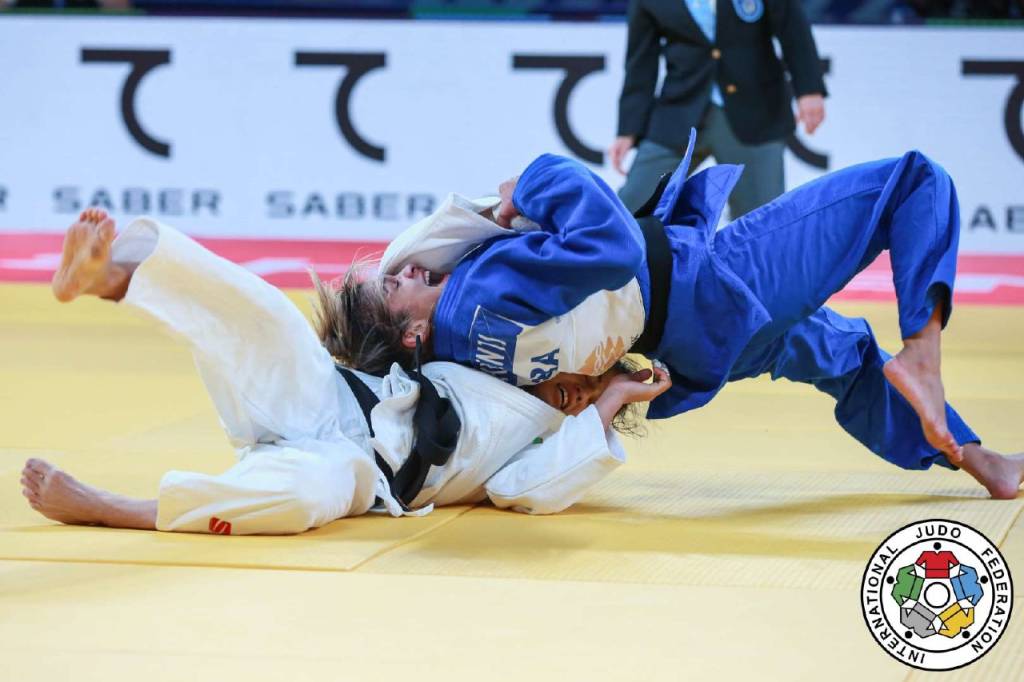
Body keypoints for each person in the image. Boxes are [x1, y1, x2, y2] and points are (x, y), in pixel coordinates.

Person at [325, 134, 1024, 499]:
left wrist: (611, 396)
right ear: (410, 332)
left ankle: (975, 459)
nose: (406, 270)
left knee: (844, 357)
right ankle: (924, 353)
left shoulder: (462, 370)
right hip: (717, 282)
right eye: (392, 285)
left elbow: (534, 447)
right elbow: (613, 245)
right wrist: (531, 185)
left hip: (692, 346)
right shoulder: (476, 292)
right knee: (912, 182)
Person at [19, 209, 670, 535]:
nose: (559, 374)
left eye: (576, 384)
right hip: (331, 399)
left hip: (365, 475)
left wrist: (611, 400)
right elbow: (439, 259)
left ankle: (122, 510)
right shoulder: (481, 349)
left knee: (304, 497)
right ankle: (112, 275)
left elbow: (533, 491)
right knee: (266, 321)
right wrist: (507, 211)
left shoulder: (545, 440)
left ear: (574, 399)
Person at [610, 0, 827, 219]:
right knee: (630, 211)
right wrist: (628, 129)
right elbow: (640, 63)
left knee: (761, 223)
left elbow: (793, 28)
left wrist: (809, 89)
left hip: (756, 112)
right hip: (678, 112)